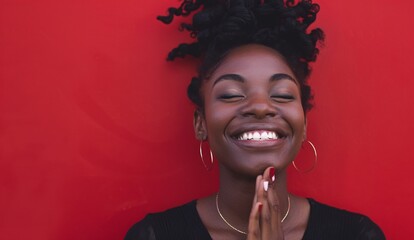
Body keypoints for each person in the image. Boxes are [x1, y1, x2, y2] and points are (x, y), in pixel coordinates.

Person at [125, 0, 385, 239]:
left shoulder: (356, 235)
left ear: (303, 124)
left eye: (282, 95)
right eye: (231, 95)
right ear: (200, 123)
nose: (260, 107)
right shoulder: (154, 236)